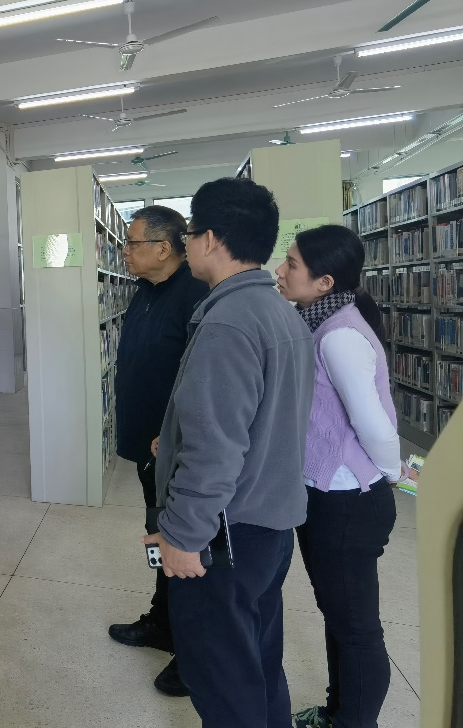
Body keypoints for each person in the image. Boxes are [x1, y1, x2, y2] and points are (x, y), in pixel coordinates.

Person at [142, 178, 315, 728]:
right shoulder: (280, 313)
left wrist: (183, 537)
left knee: (221, 680)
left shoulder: (226, 322)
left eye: (190, 234)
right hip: (268, 527)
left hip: (227, 535)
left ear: (211, 239)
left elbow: (215, 450)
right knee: (258, 662)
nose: (187, 245)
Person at [274, 225, 401, 728]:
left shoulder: (340, 335)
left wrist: (387, 474)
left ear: (324, 282)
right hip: (329, 493)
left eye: (292, 264)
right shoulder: (318, 322)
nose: (280, 271)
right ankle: (337, 712)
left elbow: (374, 423)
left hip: (348, 500)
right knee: (339, 615)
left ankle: (353, 722)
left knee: (356, 628)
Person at [107, 205, 209, 698]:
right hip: (148, 449)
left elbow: (200, 381)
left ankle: (192, 649)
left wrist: (172, 434)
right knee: (158, 533)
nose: (124, 253)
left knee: (185, 543)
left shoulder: (196, 297)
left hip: (177, 451)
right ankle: (163, 619)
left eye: (131, 243)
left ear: (164, 248)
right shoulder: (143, 292)